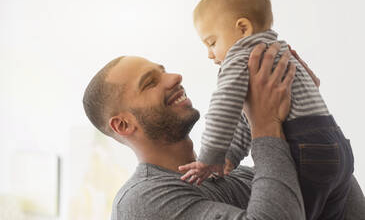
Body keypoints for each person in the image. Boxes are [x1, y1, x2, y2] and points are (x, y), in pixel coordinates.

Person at [82, 44, 365, 219]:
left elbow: (344, 203)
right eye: (150, 82)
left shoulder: (244, 176)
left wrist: (305, 118)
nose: (174, 77)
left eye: (164, 70)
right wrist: (266, 124)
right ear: (123, 125)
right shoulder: (142, 201)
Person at [179, 0, 354, 220]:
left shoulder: (240, 55)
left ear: (242, 29)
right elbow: (247, 118)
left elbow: (224, 109)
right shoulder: (279, 51)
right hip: (336, 145)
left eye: (212, 42)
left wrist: (210, 157)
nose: (209, 54)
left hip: (304, 148)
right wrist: (231, 156)